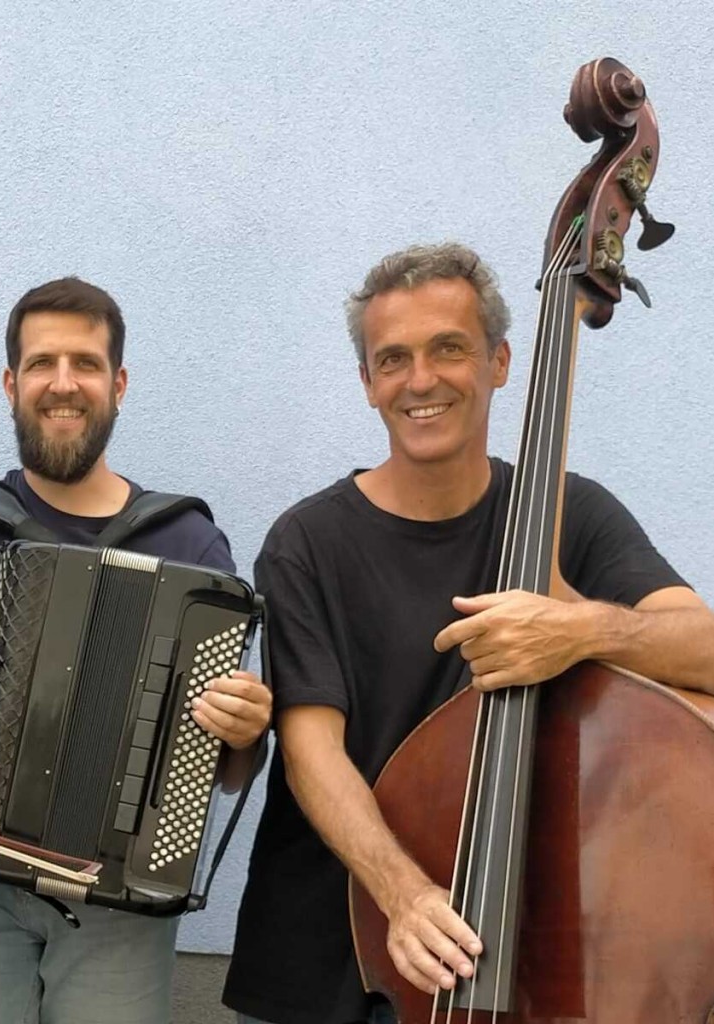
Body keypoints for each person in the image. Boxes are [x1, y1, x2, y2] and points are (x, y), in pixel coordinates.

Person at [223, 242, 714, 1024]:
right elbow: (312, 751)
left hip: (531, 958)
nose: (420, 380)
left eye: (448, 348)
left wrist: (582, 629)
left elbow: (703, 650)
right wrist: (405, 896)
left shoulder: (571, 515)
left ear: (500, 362)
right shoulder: (306, 542)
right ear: (367, 383)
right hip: (324, 961)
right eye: (393, 359)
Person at [0, 276, 272, 1024]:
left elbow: (226, 771)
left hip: (118, 904)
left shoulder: (189, 544)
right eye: (42, 362)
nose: (63, 383)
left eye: (86, 363)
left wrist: (245, 732)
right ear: (11, 383)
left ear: (118, 385)